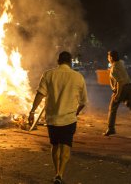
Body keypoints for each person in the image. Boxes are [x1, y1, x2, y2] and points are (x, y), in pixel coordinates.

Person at [28, 51, 88, 184]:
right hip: (69, 119)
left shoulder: (49, 74)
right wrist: (76, 112)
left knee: (55, 146)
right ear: (70, 62)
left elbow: (40, 94)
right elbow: (83, 102)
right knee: (65, 146)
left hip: (53, 119)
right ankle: (61, 173)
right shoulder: (78, 77)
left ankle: (56, 172)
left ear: (58, 61)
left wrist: (32, 112)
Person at [103, 50, 131, 136]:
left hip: (122, 88)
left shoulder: (114, 69)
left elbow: (120, 82)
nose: (107, 58)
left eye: (108, 56)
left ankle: (111, 128)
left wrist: (117, 94)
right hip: (130, 87)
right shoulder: (121, 63)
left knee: (113, 107)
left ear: (111, 58)